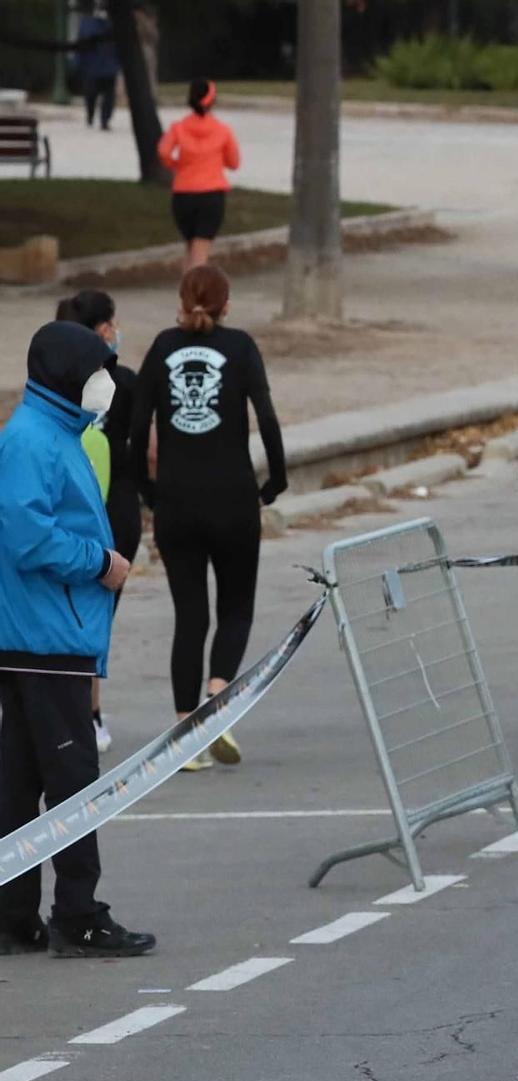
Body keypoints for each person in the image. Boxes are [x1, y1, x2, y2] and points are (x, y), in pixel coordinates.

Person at [0, 321, 151, 958]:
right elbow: (27, 536)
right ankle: (78, 913)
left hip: (42, 634)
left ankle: (13, 915)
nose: (106, 384)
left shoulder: (56, 431)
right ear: (66, 374)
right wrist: (99, 562)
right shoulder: (32, 440)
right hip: (48, 637)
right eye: (97, 372)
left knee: (20, 779)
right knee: (74, 782)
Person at [125, 266, 284, 769]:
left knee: (190, 616)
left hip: (177, 502)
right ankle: (218, 700)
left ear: (181, 300)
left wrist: (147, 491)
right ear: (227, 305)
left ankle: (184, 731)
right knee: (236, 608)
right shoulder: (240, 348)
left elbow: (135, 428)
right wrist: (275, 480)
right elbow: (267, 416)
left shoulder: (162, 347)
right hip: (234, 499)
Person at [54, 289, 139, 752]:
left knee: (77, 618)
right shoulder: (120, 381)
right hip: (110, 519)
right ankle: (85, 714)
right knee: (92, 620)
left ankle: (87, 713)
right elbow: (147, 446)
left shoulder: (55, 386)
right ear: (103, 329)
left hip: (95, 516)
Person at [158, 81, 240, 272]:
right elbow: (234, 163)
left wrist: (176, 165)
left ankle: (187, 294)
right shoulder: (222, 130)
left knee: (190, 248)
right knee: (200, 254)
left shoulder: (178, 128)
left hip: (183, 195)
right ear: (212, 102)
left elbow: (163, 151)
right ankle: (196, 298)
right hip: (211, 195)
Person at [74, 4, 121, 132]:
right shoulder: (88, 23)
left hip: (107, 65)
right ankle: (91, 115)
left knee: (108, 96)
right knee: (91, 94)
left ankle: (104, 120)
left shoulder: (113, 24)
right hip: (93, 65)